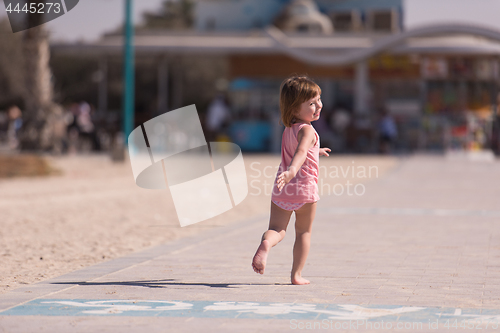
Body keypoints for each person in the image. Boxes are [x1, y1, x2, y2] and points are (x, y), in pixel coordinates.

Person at [252, 76, 331, 285]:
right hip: (304, 189)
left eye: (319, 99)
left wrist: (317, 151)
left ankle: (267, 243)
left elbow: (303, 150)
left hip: (282, 189)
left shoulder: (288, 129)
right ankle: (296, 275)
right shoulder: (308, 130)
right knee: (303, 232)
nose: (319, 106)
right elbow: (301, 151)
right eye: (312, 103)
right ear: (295, 109)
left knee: (278, 229)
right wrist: (292, 171)